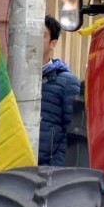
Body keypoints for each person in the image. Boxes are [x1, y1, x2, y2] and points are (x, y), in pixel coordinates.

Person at [39, 15, 80, 167]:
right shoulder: (13, 78)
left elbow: (72, 132)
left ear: (52, 43)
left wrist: (55, 168)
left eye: (41, 35)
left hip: (47, 170)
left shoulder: (68, 83)